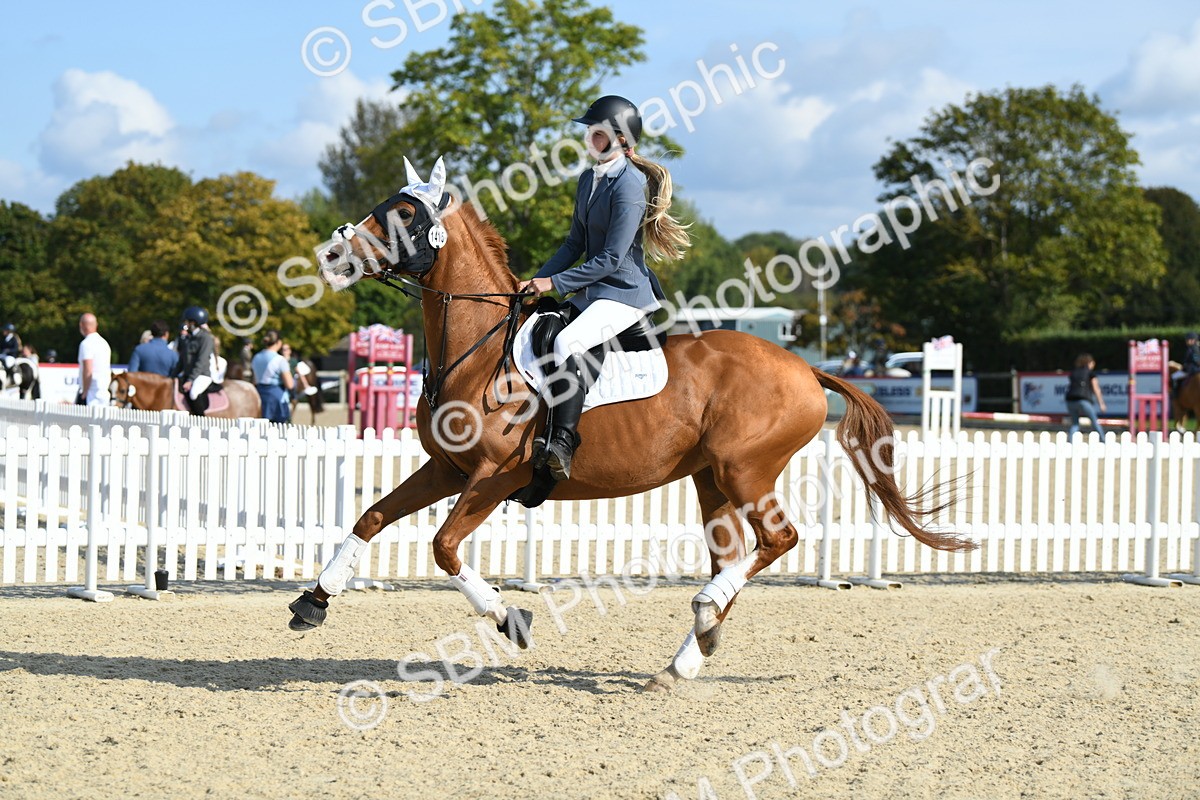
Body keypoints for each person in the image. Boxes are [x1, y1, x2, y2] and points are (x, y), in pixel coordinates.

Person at [516, 95, 689, 480]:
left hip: (624, 294)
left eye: (595, 134)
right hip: (593, 291)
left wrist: (556, 282)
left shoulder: (629, 185)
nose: (587, 140)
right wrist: (536, 281)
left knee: (567, 343)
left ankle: (561, 443)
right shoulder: (587, 180)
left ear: (618, 138)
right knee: (537, 327)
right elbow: (573, 244)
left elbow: (612, 258)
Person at [175, 306, 216, 415]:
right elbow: (182, 360)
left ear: (193, 322)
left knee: (193, 393)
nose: (185, 324)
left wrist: (190, 380)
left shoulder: (205, 338)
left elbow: (201, 360)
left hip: (202, 375)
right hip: (189, 374)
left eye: (187, 322)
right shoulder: (188, 338)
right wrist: (172, 376)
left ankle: (201, 419)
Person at [252, 330, 294, 423]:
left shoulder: (256, 357)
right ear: (279, 342)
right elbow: (290, 384)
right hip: (276, 398)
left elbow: (254, 380)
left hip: (258, 396)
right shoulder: (280, 360)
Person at [1065, 353, 1106, 441]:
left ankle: (1070, 442)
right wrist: (1101, 404)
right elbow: (1096, 389)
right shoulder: (1090, 373)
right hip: (1083, 400)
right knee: (1094, 422)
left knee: (1075, 423)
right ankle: (1103, 441)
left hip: (1070, 400)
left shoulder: (1074, 372)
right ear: (1089, 363)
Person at [77, 313, 112, 407]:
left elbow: (88, 370)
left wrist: (84, 392)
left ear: (82, 325)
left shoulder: (86, 344)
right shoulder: (104, 343)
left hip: (91, 395)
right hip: (103, 393)